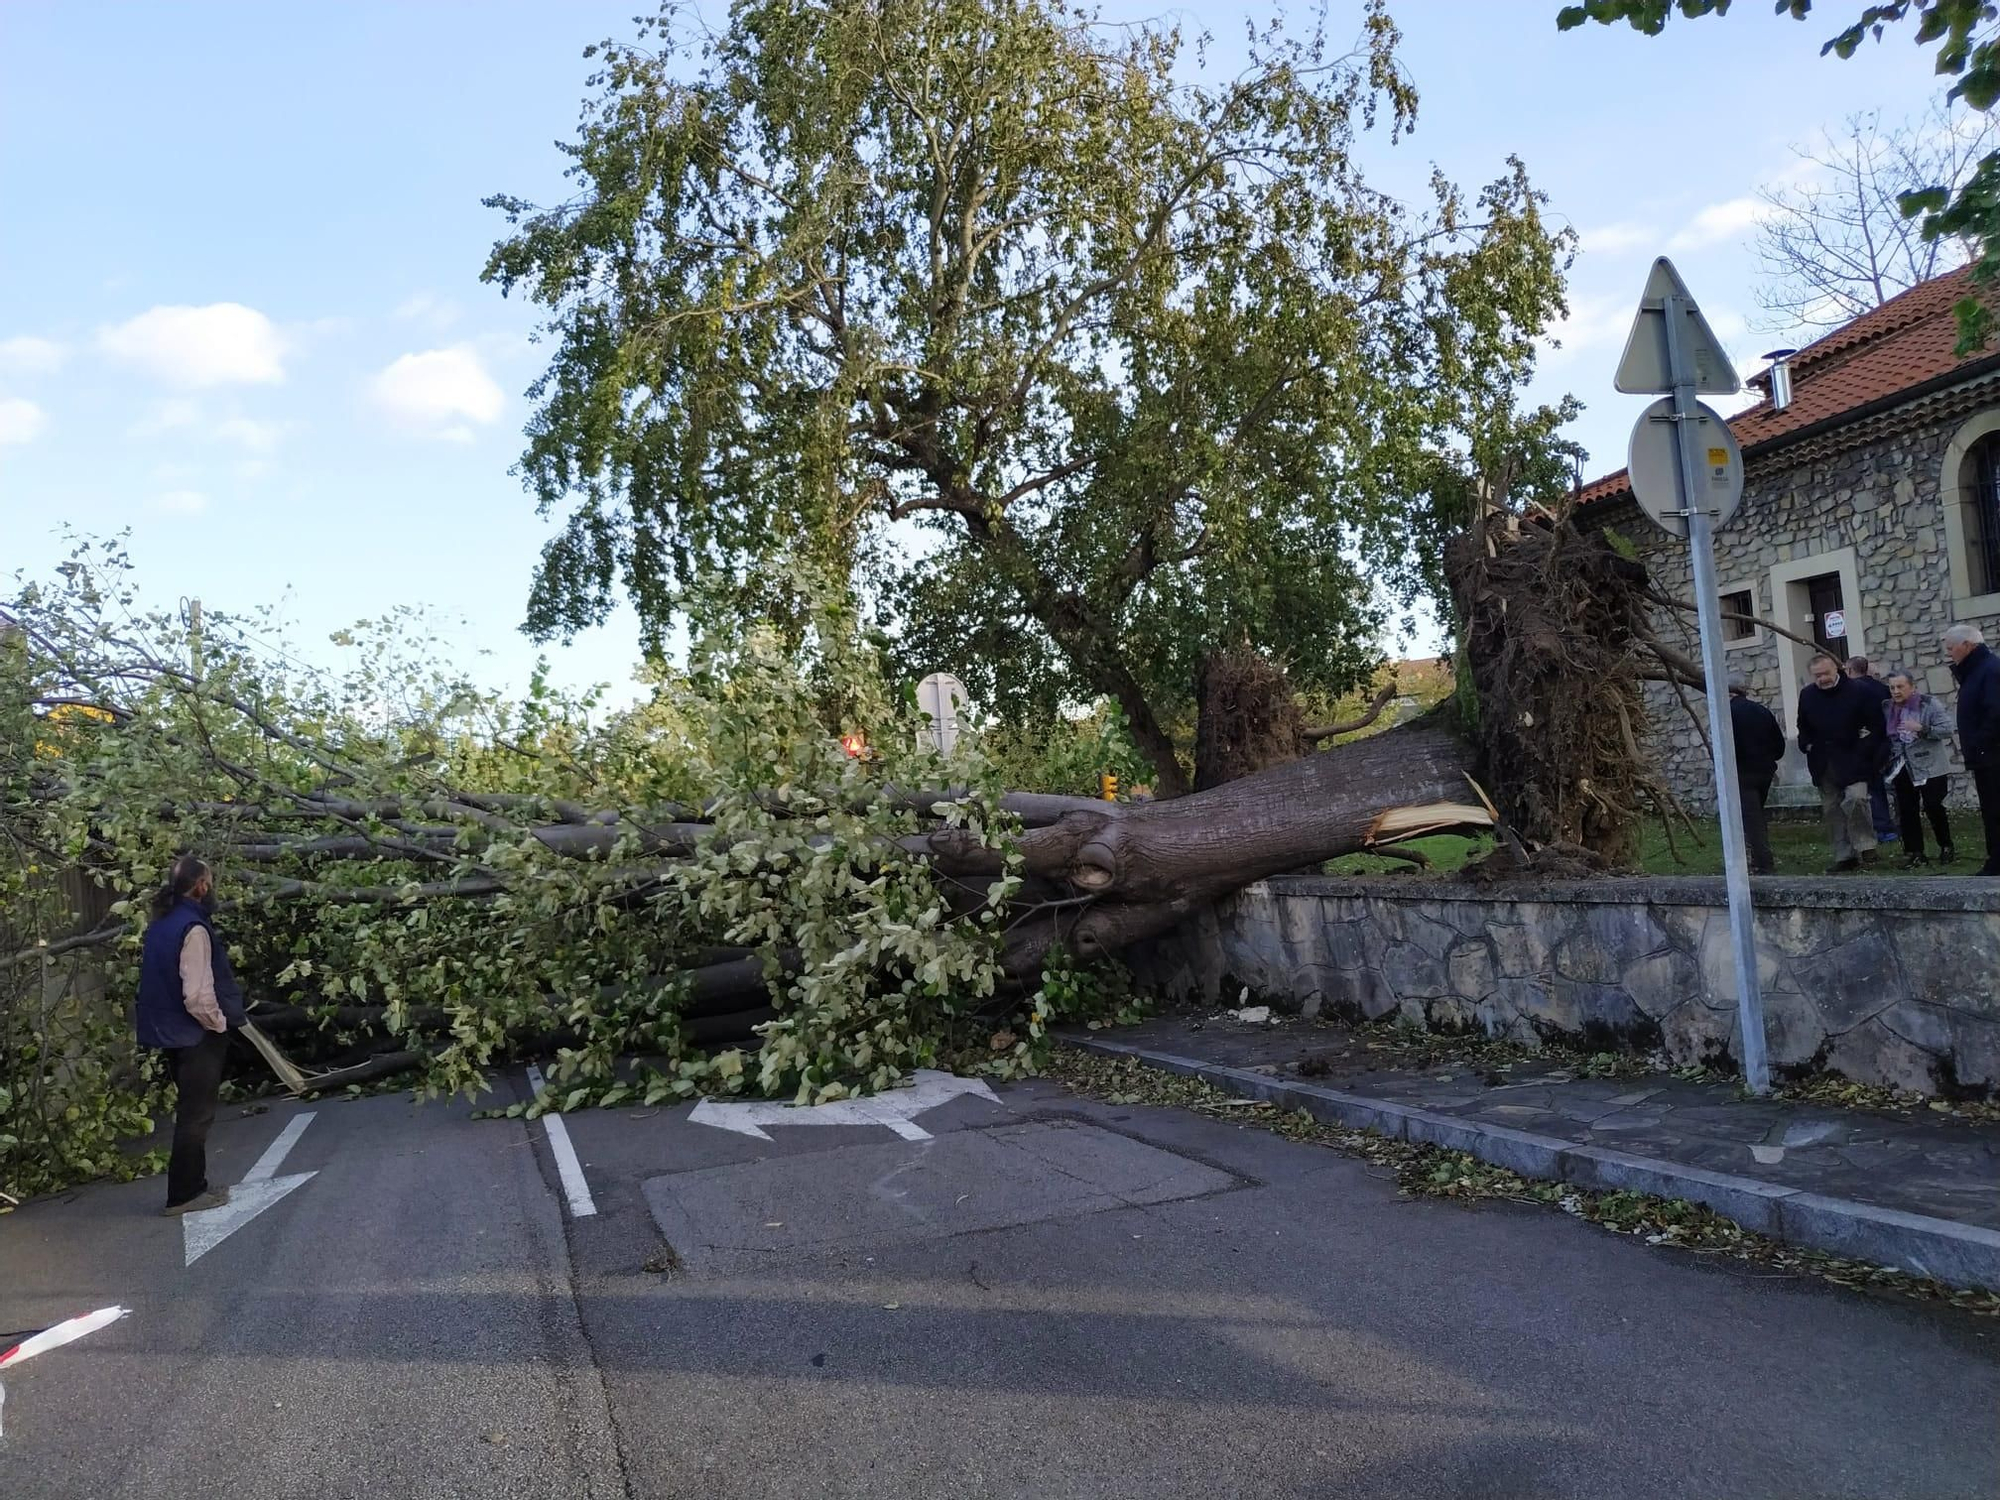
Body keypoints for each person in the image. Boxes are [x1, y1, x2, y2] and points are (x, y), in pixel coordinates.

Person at [136, 855, 246, 1215]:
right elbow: (197, 994)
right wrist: (217, 1024)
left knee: (190, 1112)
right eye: (208, 881)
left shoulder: (161, 924)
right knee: (196, 1116)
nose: (210, 887)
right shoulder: (193, 929)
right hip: (195, 1033)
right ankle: (184, 1195)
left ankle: (192, 1187)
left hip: (167, 1033)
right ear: (200, 885)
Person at [1796, 651, 1885, 873]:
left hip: (1854, 758)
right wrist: (1805, 744)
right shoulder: (1807, 695)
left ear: (1837, 669)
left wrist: (1865, 748)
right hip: (1823, 761)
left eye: (1825, 673)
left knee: (1857, 799)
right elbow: (1803, 725)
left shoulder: (1859, 691)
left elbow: (1876, 725)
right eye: (1817, 676)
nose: (1822, 679)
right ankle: (1844, 855)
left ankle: (1866, 846)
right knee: (1832, 809)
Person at [1882, 669, 1956, 868]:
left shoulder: (1928, 704)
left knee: (1933, 805)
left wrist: (1922, 729)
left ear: (1912, 687)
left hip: (1931, 765)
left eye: (1900, 687)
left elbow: (1948, 729)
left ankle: (1946, 846)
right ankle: (1916, 852)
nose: (1896, 691)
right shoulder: (1887, 707)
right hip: (1902, 764)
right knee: (1907, 809)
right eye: (1892, 687)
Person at [1946, 622, 2000, 876]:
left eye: (1951, 648)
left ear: (1967, 645)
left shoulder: (1989, 670)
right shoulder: (1978, 670)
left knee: (1995, 808)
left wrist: (1980, 743)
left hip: (1992, 755)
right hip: (1985, 755)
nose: (1949, 654)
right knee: (1991, 808)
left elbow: (1995, 712)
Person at [1727, 672, 1785, 875]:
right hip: (1764, 771)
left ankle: (1762, 862)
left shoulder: (1726, 714)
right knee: (1756, 815)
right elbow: (1779, 746)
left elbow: (1725, 747)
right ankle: (1757, 857)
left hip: (1741, 773)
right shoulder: (1762, 711)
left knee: (1751, 819)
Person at [1845, 656, 1899, 845]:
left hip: (1866, 744)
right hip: (1888, 740)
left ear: (1850, 671)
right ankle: (1894, 824)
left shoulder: (1852, 691)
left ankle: (1881, 828)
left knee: (1872, 788)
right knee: (1891, 787)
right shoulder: (1883, 689)